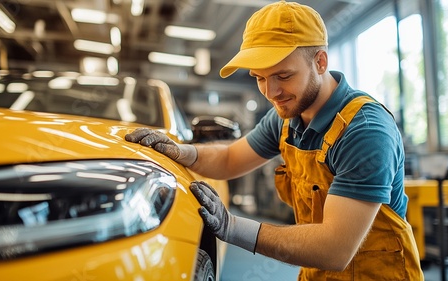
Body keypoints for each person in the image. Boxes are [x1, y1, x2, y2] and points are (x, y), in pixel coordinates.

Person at [125, 0, 424, 279]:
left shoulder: (365, 130)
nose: (271, 92)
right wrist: (183, 152)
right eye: (259, 77)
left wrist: (232, 227)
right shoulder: (286, 118)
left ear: (320, 62)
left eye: (283, 75)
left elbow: (335, 249)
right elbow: (230, 158)